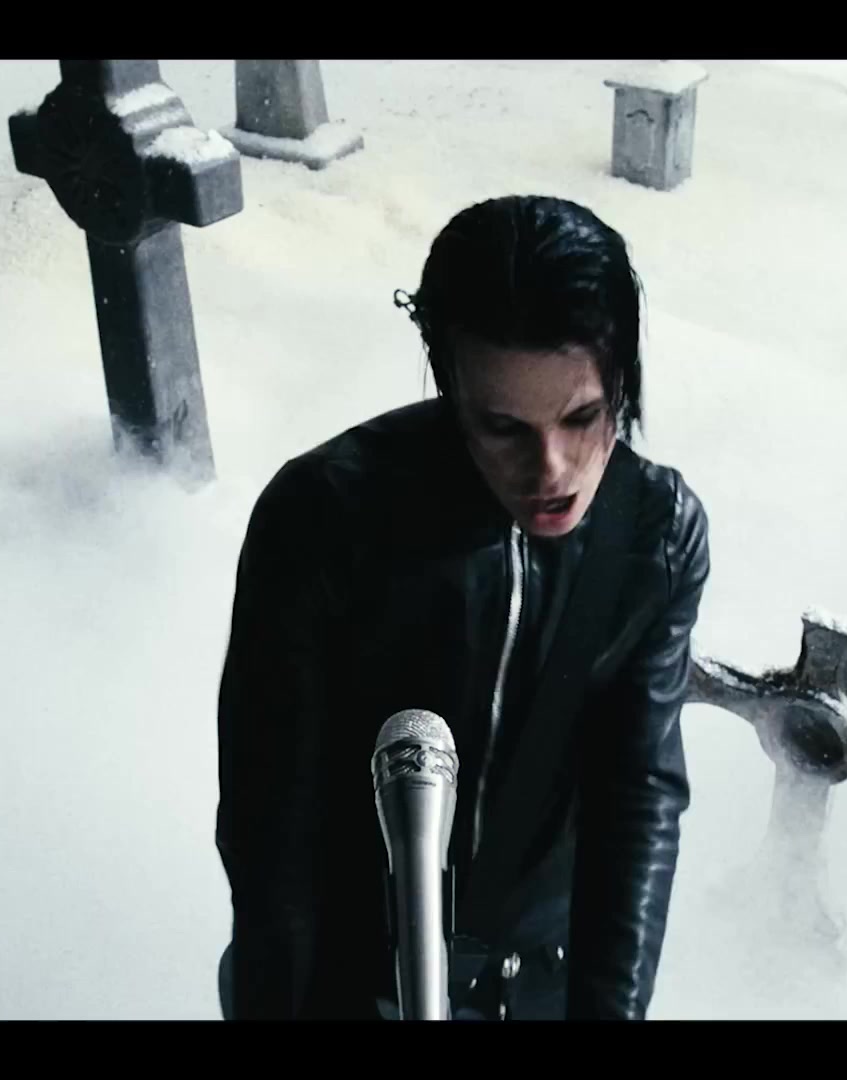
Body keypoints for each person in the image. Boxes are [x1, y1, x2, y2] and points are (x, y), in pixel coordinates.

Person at [214, 194, 711, 1020]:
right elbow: (273, 831)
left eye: (582, 417)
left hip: (539, 988)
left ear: (622, 380)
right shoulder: (326, 517)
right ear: (449, 385)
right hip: (347, 986)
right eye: (504, 427)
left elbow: (637, 799)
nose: (551, 469)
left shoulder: (656, 532)